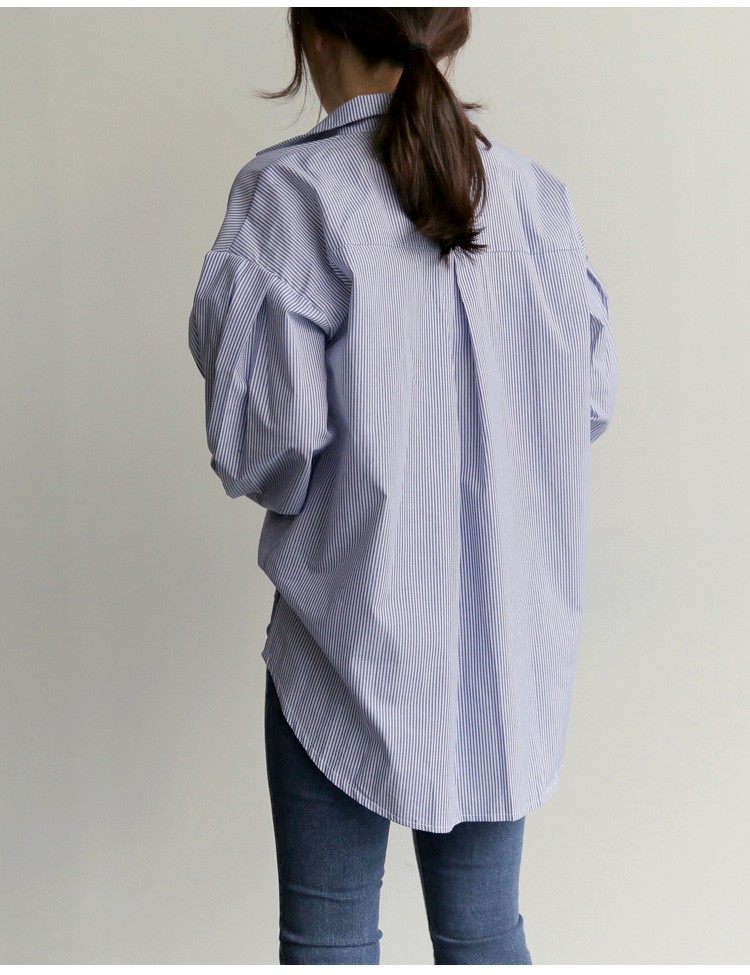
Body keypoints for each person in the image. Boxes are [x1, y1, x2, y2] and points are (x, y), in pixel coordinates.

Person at [188, 7, 618, 966]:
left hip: (345, 646)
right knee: (486, 935)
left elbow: (269, 450)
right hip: (503, 658)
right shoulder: (536, 201)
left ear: (312, 32)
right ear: (447, 31)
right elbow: (587, 406)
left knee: (330, 940)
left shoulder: (291, 195)